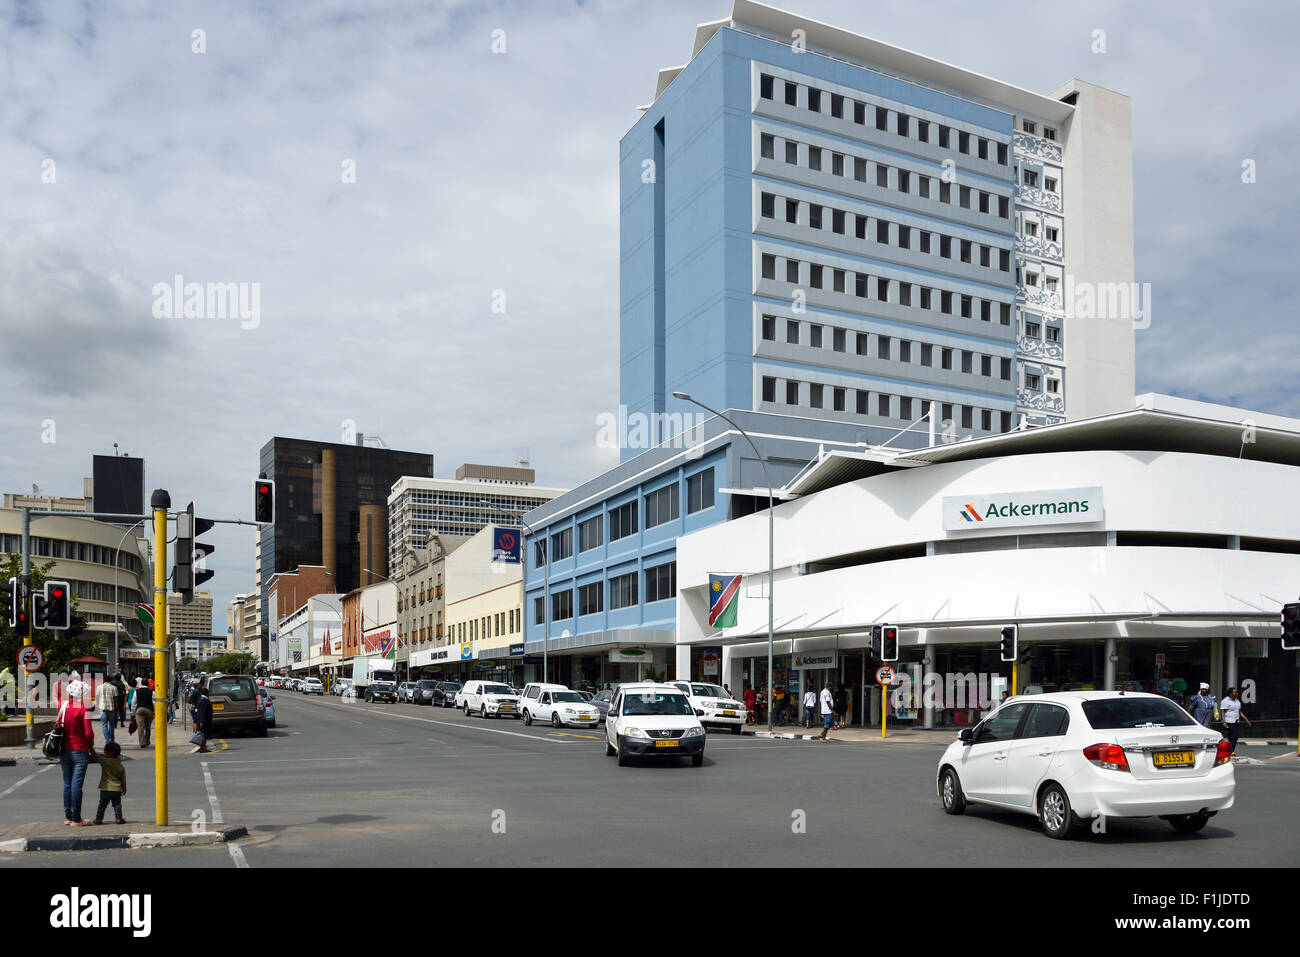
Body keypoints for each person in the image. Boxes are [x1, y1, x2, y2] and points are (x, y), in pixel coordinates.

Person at [58, 679, 96, 826]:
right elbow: (89, 733)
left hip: (64, 749)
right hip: (79, 750)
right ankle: (76, 819)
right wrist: (90, 744)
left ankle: (68, 816)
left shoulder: (62, 705)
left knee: (67, 783)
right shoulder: (84, 709)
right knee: (76, 785)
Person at [88, 740, 127, 825]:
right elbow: (123, 779)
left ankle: (99, 818)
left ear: (109, 753)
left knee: (102, 804)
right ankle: (119, 818)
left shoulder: (105, 761)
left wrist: (91, 749)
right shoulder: (120, 765)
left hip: (106, 788)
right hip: (117, 789)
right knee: (117, 804)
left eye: (105, 752)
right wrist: (124, 789)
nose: (104, 754)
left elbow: (96, 757)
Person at [1220, 687, 1251, 753]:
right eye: (1235, 692)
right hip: (1229, 721)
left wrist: (1247, 720)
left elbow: (1240, 711)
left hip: (1236, 721)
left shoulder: (1237, 701)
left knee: (1231, 737)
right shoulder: (1225, 701)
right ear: (1230, 693)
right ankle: (1231, 751)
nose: (1237, 693)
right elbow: (1222, 712)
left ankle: (1229, 751)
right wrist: (1224, 722)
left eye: (1237, 692)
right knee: (1235, 736)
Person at [94, 675, 118, 744]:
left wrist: (97, 706)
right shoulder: (114, 688)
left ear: (104, 680)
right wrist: (117, 710)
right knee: (112, 725)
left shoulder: (99, 687)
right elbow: (116, 700)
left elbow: (97, 698)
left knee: (104, 725)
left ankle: (108, 740)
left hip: (102, 708)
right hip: (112, 708)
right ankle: (112, 740)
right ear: (111, 680)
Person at [132, 677, 154, 749]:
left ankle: (142, 743)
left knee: (140, 727)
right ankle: (147, 741)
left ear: (141, 683)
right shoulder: (152, 692)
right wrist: (154, 711)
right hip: (149, 710)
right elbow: (154, 703)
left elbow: (134, 703)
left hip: (140, 710)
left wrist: (133, 712)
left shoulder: (137, 691)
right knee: (148, 727)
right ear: (148, 684)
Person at [190, 686, 213, 754]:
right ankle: (203, 747)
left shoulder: (201, 699)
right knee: (203, 734)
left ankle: (203, 747)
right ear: (207, 693)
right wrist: (201, 722)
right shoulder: (204, 700)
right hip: (204, 720)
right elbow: (202, 711)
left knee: (203, 734)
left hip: (203, 720)